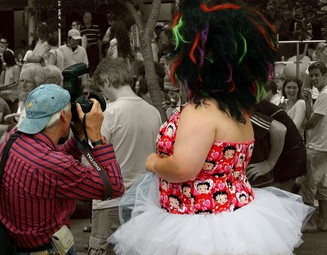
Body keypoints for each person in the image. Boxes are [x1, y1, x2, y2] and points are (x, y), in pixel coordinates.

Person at [108, 2, 313, 254]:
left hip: (198, 225)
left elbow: (182, 168)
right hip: (236, 218)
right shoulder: (238, 111)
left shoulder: (202, 111)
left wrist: (152, 162)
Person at [0, 84, 124, 255]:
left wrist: (79, 134)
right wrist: (96, 136)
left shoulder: (13, 137)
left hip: (12, 243)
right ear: (64, 115)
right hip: (47, 250)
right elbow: (114, 187)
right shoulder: (52, 165)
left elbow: (51, 164)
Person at [88, 57, 162, 254]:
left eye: (101, 89)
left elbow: (91, 161)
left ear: (107, 82)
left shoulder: (109, 113)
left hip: (111, 202)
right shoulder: (153, 112)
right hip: (144, 201)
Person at [301, 61, 327, 232]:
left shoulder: (325, 95)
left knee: (309, 186)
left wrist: (299, 124)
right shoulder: (322, 94)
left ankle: (310, 223)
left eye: (317, 75)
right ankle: (323, 222)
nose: (314, 78)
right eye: (312, 75)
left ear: (325, 76)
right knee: (323, 186)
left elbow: (311, 123)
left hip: (317, 146)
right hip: (322, 145)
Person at [80, 11, 103, 76]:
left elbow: (99, 40)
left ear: (91, 18)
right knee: (86, 65)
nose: (85, 19)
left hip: (94, 48)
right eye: (84, 17)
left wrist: (100, 52)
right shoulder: (81, 28)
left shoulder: (96, 27)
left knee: (94, 66)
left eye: (87, 17)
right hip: (85, 49)